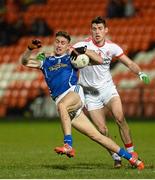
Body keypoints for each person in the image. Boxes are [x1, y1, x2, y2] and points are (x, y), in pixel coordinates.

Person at [21, 30, 144, 170]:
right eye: (57, 42)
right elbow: (25, 62)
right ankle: (132, 159)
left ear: (68, 46)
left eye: (63, 43)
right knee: (97, 136)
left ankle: (68, 144)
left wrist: (82, 51)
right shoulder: (46, 61)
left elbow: (99, 60)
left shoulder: (71, 58)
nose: (59, 45)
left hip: (74, 93)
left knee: (61, 106)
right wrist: (29, 49)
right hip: (67, 106)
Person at [72, 16, 150, 168]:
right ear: (91, 30)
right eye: (94, 29)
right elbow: (66, 55)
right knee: (102, 130)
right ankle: (116, 156)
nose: (97, 32)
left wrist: (140, 73)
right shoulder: (82, 45)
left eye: (100, 28)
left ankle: (132, 152)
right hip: (90, 93)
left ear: (106, 30)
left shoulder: (112, 47)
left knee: (120, 118)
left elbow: (129, 63)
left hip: (108, 89)